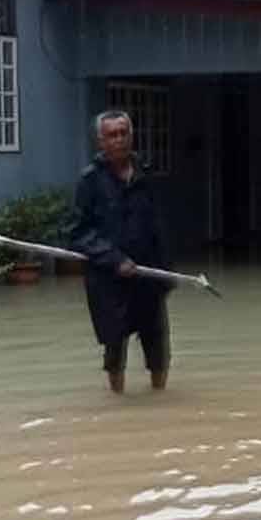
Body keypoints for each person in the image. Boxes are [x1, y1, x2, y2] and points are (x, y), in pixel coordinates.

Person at [69, 110, 174, 394]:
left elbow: (159, 228)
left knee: (158, 345)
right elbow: (76, 232)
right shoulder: (89, 181)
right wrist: (114, 259)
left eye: (123, 133)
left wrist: (166, 275)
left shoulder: (147, 174)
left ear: (131, 136)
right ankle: (118, 401)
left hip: (147, 275)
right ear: (100, 141)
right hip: (109, 279)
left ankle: (160, 401)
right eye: (112, 135)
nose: (119, 140)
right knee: (115, 347)